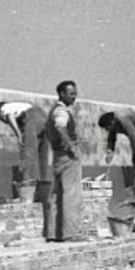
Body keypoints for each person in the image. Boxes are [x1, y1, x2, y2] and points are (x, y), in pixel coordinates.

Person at [0, 101, 52, 231]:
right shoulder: (19, 105)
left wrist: (18, 134)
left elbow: (9, 117)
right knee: (42, 157)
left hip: (31, 118)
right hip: (44, 118)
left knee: (27, 154)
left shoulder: (3, 109)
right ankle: (42, 189)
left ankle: (28, 190)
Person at [44, 80, 85, 242]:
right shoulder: (61, 111)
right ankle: (70, 233)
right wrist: (71, 147)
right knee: (71, 194)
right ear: (62, 94)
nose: (74, 97)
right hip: (67, 155)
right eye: (71, 94)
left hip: (57, 155)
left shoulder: (54, 110)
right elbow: (60, 127)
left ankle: (52, 233)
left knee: (57, 194)